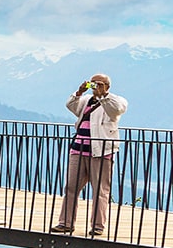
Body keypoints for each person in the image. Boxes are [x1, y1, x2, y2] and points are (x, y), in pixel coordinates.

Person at [51, 74, 128, 236]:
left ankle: (98, 226)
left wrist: (103, 96)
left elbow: (116, 110)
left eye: (99, 84)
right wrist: (79, 92)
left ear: (107, 86)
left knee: (100, 190)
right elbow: (71, 106)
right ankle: (65, 223)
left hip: (101, 152)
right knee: (71, 187)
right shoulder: (86, 100)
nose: (95, 87)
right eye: (92, 84)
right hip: (78, 150)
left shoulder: (116, 101)